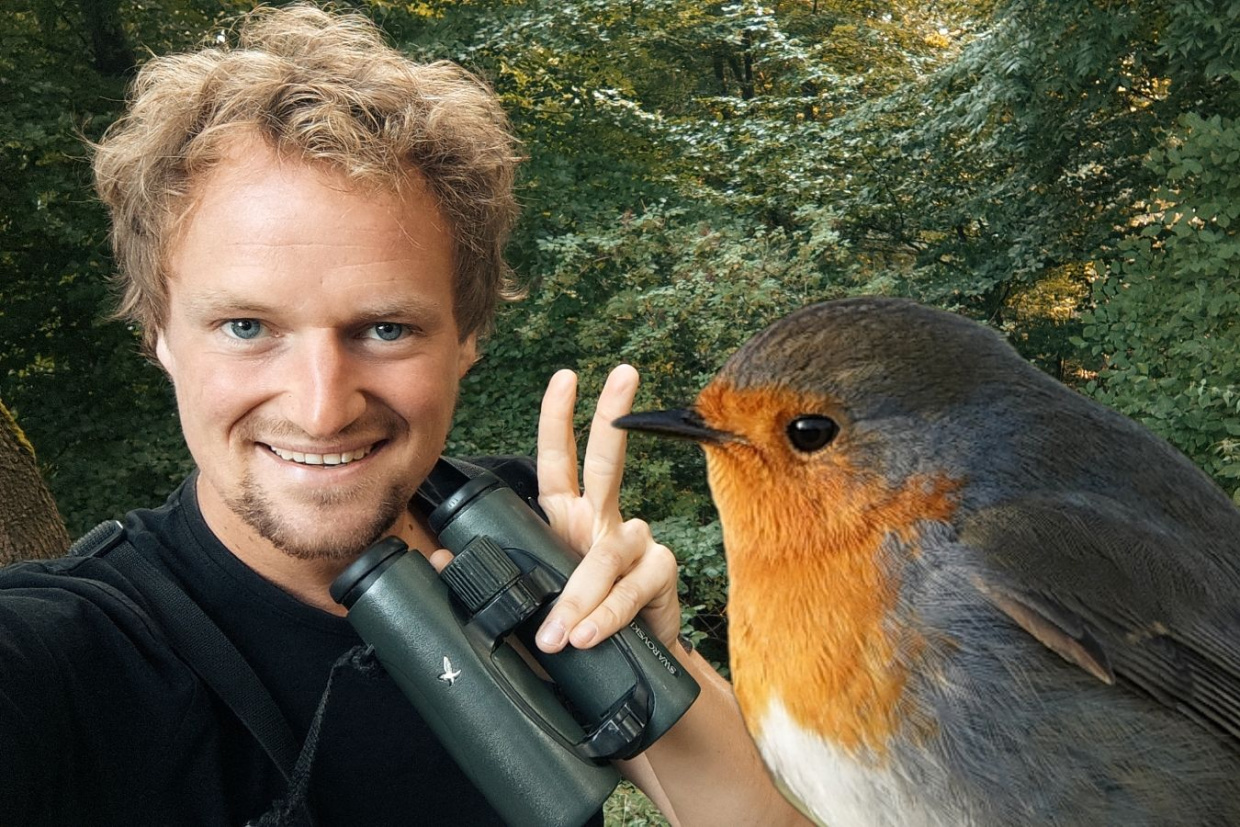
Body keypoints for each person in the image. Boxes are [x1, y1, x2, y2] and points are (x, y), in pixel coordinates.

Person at [0, 4, 808, 826]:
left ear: (468, 337)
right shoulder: (62, 654)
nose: (321, 408)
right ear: (158, 338)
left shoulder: (523, 536)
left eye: (386, 328)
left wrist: (641, 657)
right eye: (247, 328)